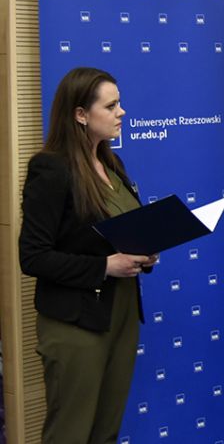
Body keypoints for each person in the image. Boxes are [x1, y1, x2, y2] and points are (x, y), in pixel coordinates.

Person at [18, 67, 157, 444]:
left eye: (119, 103)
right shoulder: (51, 168)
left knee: (106, 430)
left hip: (122, 311)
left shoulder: (113, 164)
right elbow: (33, 256)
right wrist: (104, 266)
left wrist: (146, 251)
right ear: (80, 114)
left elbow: (120, 233)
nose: (121, 112)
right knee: (71, 432)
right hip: (76, 322)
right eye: (111, 106)